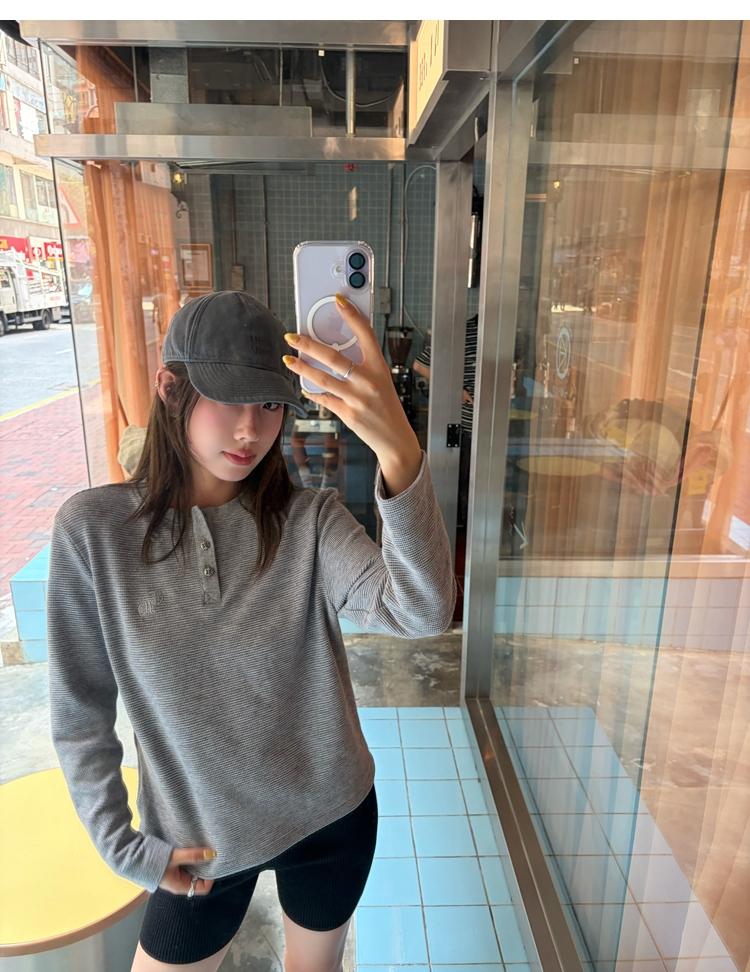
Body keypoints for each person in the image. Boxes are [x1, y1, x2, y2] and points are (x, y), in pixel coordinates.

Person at [46, 290, 457, 972]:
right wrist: (123, 846)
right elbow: (79, 712)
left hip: (332, 816)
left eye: (269, 404)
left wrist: (400, 450)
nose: (250, 429)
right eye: (228, 398)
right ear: (169, 388)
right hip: (201, 843)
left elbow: (421, 611)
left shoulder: (310, 521)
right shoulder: (95, 532)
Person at [412, 312, 478, 530]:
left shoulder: (497, 335)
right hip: (463, 425)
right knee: (463, 486)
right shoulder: (461, 331)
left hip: (485, 426)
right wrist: (454, 389)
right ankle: (459, 534)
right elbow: (420, 365)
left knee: (473, 487)